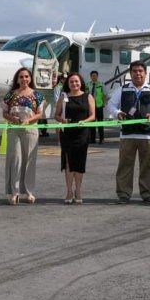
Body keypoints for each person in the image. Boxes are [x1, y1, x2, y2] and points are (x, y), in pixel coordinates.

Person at [106, 61, 150, 204]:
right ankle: (123, 194)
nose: (137, 73)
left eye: (140, 71)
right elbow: (110, 105)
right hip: (127, 134)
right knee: (125, 166)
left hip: (148, 134)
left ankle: (147, 193)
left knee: (148, 165)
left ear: (145, 73)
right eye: (134, 71)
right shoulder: (122, 89)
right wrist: (117, 113)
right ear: (130, 73)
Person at [1, 68, 45, 205]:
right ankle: (14, 193)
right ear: (17, 79)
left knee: (29, 161)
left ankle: (28, 192)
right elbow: (4, 113)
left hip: (30, 130)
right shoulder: (10, 95)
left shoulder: (37, 95)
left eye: (26, 76)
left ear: (30, 78)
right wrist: (13, 119)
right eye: (21, 77)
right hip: (14, 129)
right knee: (15, 159)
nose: (24, 79)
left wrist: (29, 121)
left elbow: (39, 114)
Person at [54, 73, 95, 204]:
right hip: (67, 134)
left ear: (81, 82)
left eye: (76, 81)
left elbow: (93, 115)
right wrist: (62, 120)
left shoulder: (88, 96)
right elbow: (56, 115)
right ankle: (69, 191)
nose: (74, 84)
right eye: (71, 82)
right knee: (68, 163)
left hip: (82, 133)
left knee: (79, 162)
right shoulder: (63, 97)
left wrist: (84, 121)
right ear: (68, 84)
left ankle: (78, 190)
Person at [87, 70, 107, 144]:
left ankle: (102, 139)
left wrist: (103, 103)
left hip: (99, 106)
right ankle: (92, 139)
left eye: (95, 76)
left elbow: (105, 95)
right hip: (91, 107)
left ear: (97, 76)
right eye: (92, 76)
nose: (94, 77)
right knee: (92, 124)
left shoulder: (101, 84)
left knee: (100, 123)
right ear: (90, 77)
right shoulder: (88, 85)